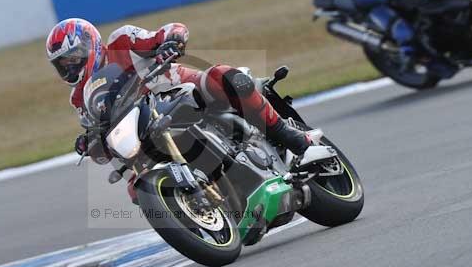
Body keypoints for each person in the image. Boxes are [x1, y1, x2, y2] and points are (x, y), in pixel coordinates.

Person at [45, 18, 327, 195]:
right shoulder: (79, 98)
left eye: (73, 58)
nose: (70, 67)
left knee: (221, 76)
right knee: (135, 184)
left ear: (90, 45)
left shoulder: (121, 41)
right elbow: (102, 144)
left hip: (182, 92)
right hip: (147, 131)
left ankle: (296, 140)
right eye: (63, 65)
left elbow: (171, 30)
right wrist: (89, 144)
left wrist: (170, 42)